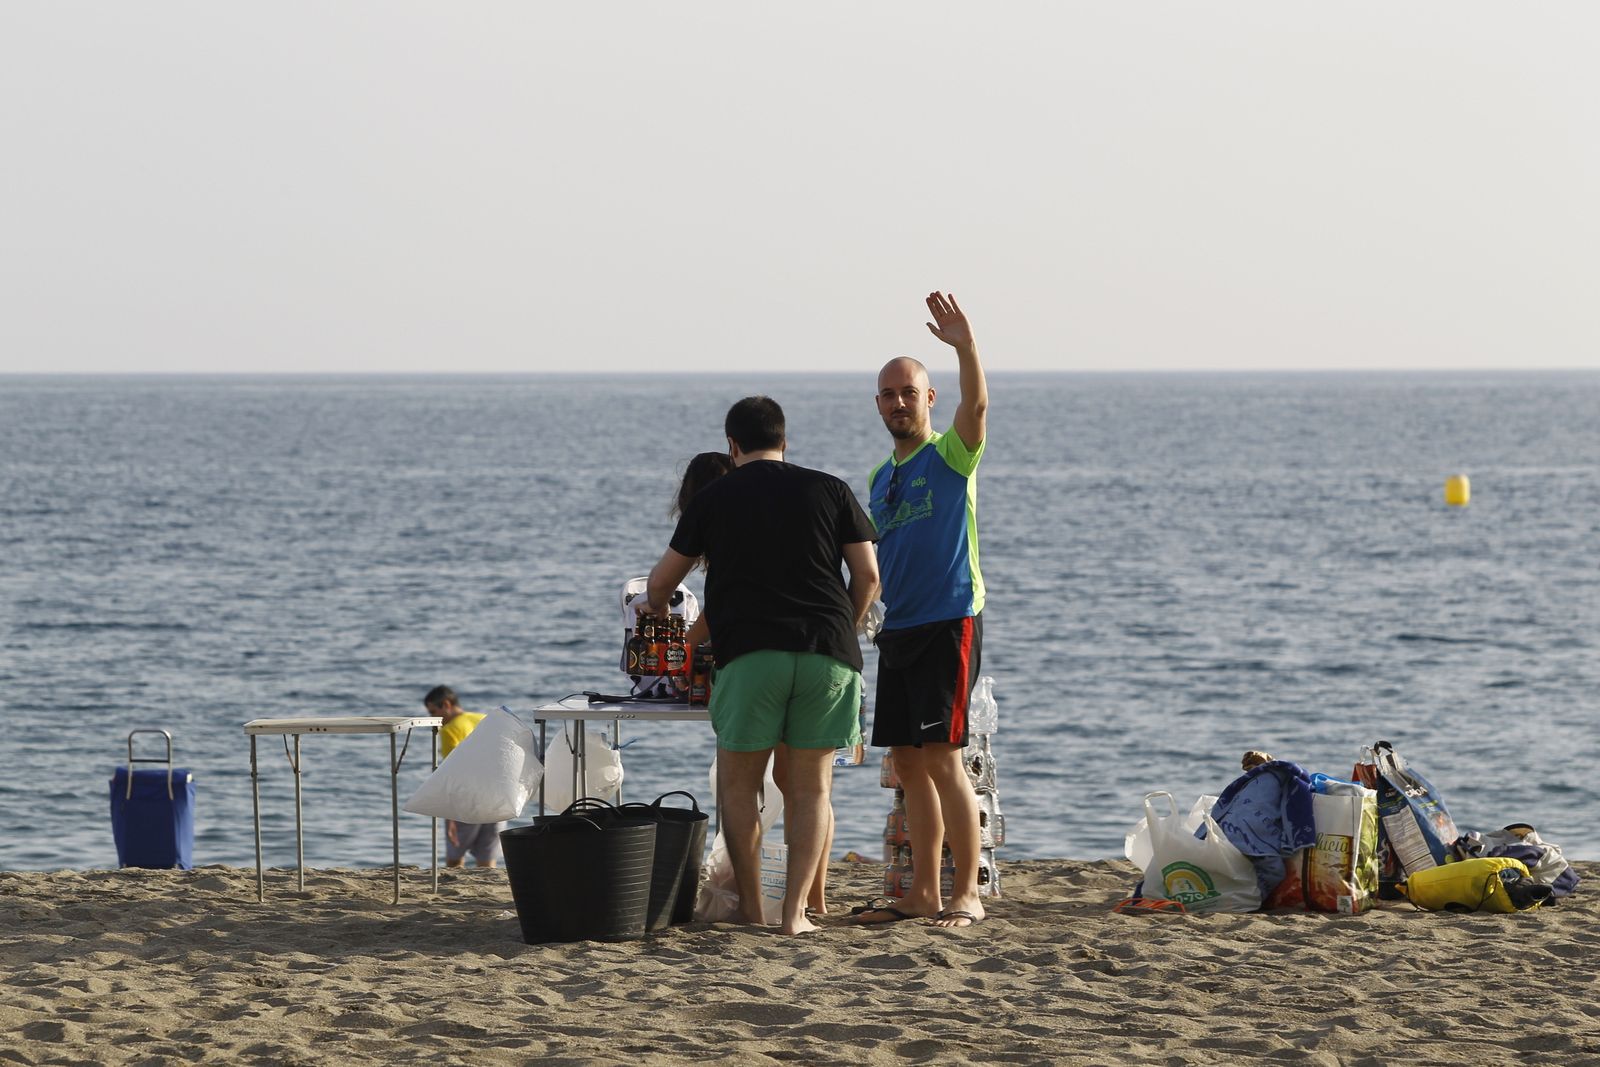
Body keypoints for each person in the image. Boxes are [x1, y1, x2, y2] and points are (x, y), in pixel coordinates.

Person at [639, 397, 878, 935]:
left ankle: (751, 908)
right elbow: (868, 576)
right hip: (828, 655)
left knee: (740, 789)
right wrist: (844, 625)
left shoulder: (714, 497)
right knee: (811, 789)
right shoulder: (831, 488)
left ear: (732, 445)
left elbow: (662, 584)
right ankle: (796, 914)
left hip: (750, 656)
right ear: (785, 441)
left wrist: (655, 609)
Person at [853, 291, 989, 929]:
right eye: (888, 395)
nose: (898, 403)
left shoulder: (951, 455)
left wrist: (965, 348)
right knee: (907, 763)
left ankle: (967, 893)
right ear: (878, 405)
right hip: (899, 627)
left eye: (909, 392)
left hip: (949, 619)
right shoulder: (880, 477)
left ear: (928, 398)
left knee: (942, 758)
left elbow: (977, 408)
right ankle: (924, 893)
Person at [672, 447, 837, 916]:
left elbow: (718, 608)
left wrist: (682, 647)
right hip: (817, 658)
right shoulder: (776, 505)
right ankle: (812, 900)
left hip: (763, 664)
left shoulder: (723, 512)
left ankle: (771, 903)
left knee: (767, 785)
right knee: (809, 787)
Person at [422, 685, 504, 869]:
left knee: (455, 858)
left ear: (446, 704)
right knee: (487, 861)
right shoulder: (483, 719)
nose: (432, 719)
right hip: (496, 795)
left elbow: (452, 772)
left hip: (468, 798)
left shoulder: (450, 730)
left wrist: (449, 814)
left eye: (433, 712)